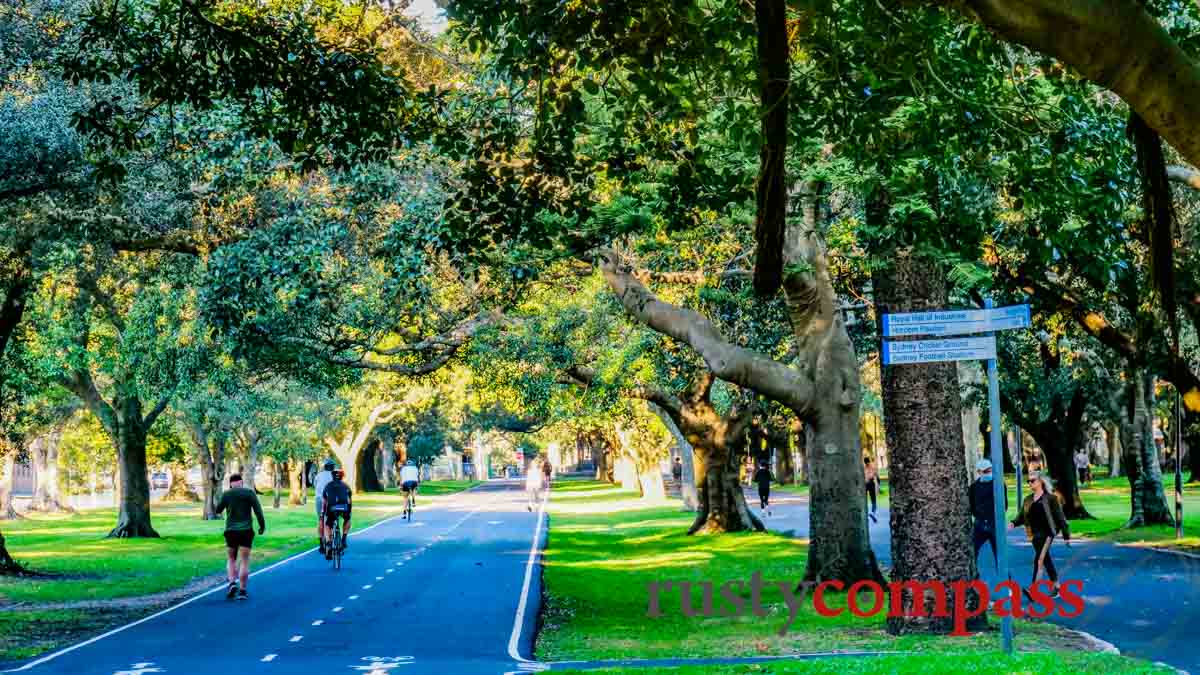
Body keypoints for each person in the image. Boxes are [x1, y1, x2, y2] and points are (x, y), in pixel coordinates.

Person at [1011, 470, 1070, 597]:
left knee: (1040, 559)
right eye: (1028, 481)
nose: (1030, 483)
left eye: (1033, 480)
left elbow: (1060, 518)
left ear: (1041, 482)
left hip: (1048, 534)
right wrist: (1013, 523)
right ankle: (1056, 586)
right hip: (1034, 535)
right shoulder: (1028, 500)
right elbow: (1021, 516)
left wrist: (1066, 536)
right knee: (1046, 560)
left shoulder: (1051, 499)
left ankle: (1033, 591)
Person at [215, 473, 265, 600]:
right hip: (246, 531)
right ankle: (242, 591)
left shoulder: (227, 494)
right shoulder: (249, 493)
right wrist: (262, 526)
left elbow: (218, 510)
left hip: (231, 531)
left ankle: (232, 583)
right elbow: (258, 511)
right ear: (241, 482)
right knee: (244, 561)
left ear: (231, 484)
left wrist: (222, 502)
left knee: (231, 559)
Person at [968, 459, 1006, 567]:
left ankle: (1006, 580)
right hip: (979, 524)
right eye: (985, 471)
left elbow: (1004, 506)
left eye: (990, 470)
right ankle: (972, 576)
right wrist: (980, 516)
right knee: (972, 551)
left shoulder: (999, 485)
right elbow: (972, 506)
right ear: (979, 472)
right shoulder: (973, 488)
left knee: (1000, 555)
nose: (988, 473)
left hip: (995, 524)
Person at [321, 468, 353, 559]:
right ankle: (344, 538)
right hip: (344, 507)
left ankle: (328, 542)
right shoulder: (346, 486)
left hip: (331, 507)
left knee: (328, 524)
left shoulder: (327, 486)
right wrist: (349, 511)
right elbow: (349, 500)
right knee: (347, 519)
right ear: (342, 476)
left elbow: (324, 501)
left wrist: (323, 513)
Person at [314, 459, 335, 555]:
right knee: (331, 520)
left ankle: (321, 543)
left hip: (320, 499)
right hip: (332, 500)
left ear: (324, 467)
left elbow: (315, 485)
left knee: (321, 519)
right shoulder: (336, 476)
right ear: (333, 467)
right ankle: (329, 540)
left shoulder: (319, 475)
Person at [864, 457, 878, 522]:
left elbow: (876, 476)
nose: (867, 464)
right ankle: (873, 513)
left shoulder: (865, 468)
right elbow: (876, 476)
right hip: (869, 483)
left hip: (867, 484)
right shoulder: (872, 467)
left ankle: (872, 514)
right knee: (873, 499)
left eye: (867, 462)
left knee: (872, 499)